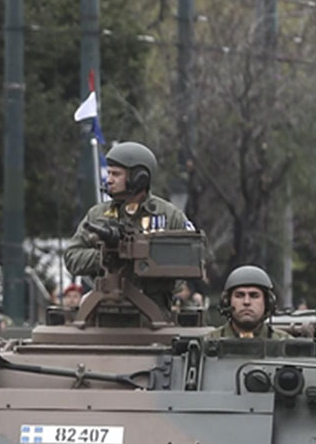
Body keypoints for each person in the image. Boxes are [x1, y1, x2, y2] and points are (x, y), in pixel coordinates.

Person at [63, 141, 193, 279]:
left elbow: (194, 252)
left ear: (139, 178)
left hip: (155, 298)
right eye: (109, 173)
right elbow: (72, 256)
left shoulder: (169, 215)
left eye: (116, 174)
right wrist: (106, 255)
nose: (109, 180)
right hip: (108, 297)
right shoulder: (97, 215)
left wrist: (148, 254)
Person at [209, 265, 290, 339]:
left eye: (254, 296)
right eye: (239, 295)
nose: (246, 302)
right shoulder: (207, 342)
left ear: (267, 302)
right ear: (227, 302)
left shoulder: (286, 344)